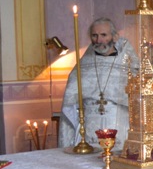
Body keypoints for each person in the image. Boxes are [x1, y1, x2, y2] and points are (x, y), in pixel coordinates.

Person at [59, 18, 139, 152]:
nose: (98, 40)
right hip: (89, 127)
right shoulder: (83, 65)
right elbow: (70, 99)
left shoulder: (129, 64)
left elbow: (139, 98)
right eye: (94, 35)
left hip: (119, 124)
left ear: (115, 36)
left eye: (103, 35)